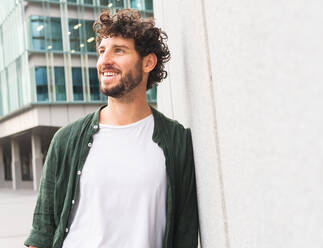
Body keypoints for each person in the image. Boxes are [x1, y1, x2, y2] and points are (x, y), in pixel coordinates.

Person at [24, 9, 199, 248]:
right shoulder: (66, 140)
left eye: (119, 50)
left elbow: (185, 233)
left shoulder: (177, 141)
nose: (104, 61)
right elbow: (42, 233)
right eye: (102, 51)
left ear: (148, 62)